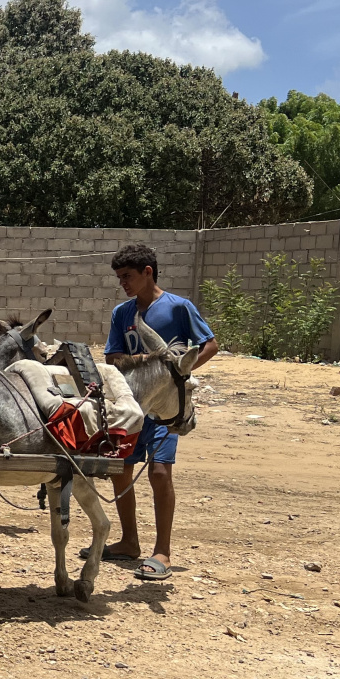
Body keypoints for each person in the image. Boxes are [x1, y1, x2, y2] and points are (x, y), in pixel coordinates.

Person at [101, 243, 217, 580]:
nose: (123, 282)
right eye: (120, 277)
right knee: (120, 470)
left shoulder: (178, 307)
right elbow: (112, 357)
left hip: (164, 407)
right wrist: (139, 362)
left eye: (128, 276)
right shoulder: (122, 313)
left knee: (160, 473)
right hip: (131, 406)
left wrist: (179, 372)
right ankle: (128, 541)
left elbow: (209, 343)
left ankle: (162, 551)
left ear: (148, 272)